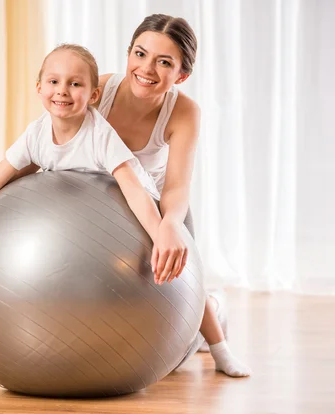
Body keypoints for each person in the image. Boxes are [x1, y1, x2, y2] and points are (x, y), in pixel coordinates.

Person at [0, 40, 250, 377]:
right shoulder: (36, 134)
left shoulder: (101, 135)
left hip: (148, 209)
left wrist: (160, 235)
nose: (63, 91)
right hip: (91, 222)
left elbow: (134, 191)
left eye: (75, 84)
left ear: (93, 96)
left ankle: (219, 344)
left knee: (185, 298)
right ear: (39, 88)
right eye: (54, 82)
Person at [94, 14, 250, 377]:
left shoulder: (184, 111)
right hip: (101, 204)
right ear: (128, 54)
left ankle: (219, 347)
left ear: (181, 75)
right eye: (140, 54)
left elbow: (178, 185)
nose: (147, 69)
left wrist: (169, 226)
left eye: (164, 62)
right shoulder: (100, 90)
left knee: (182, 277)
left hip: (159, 203)